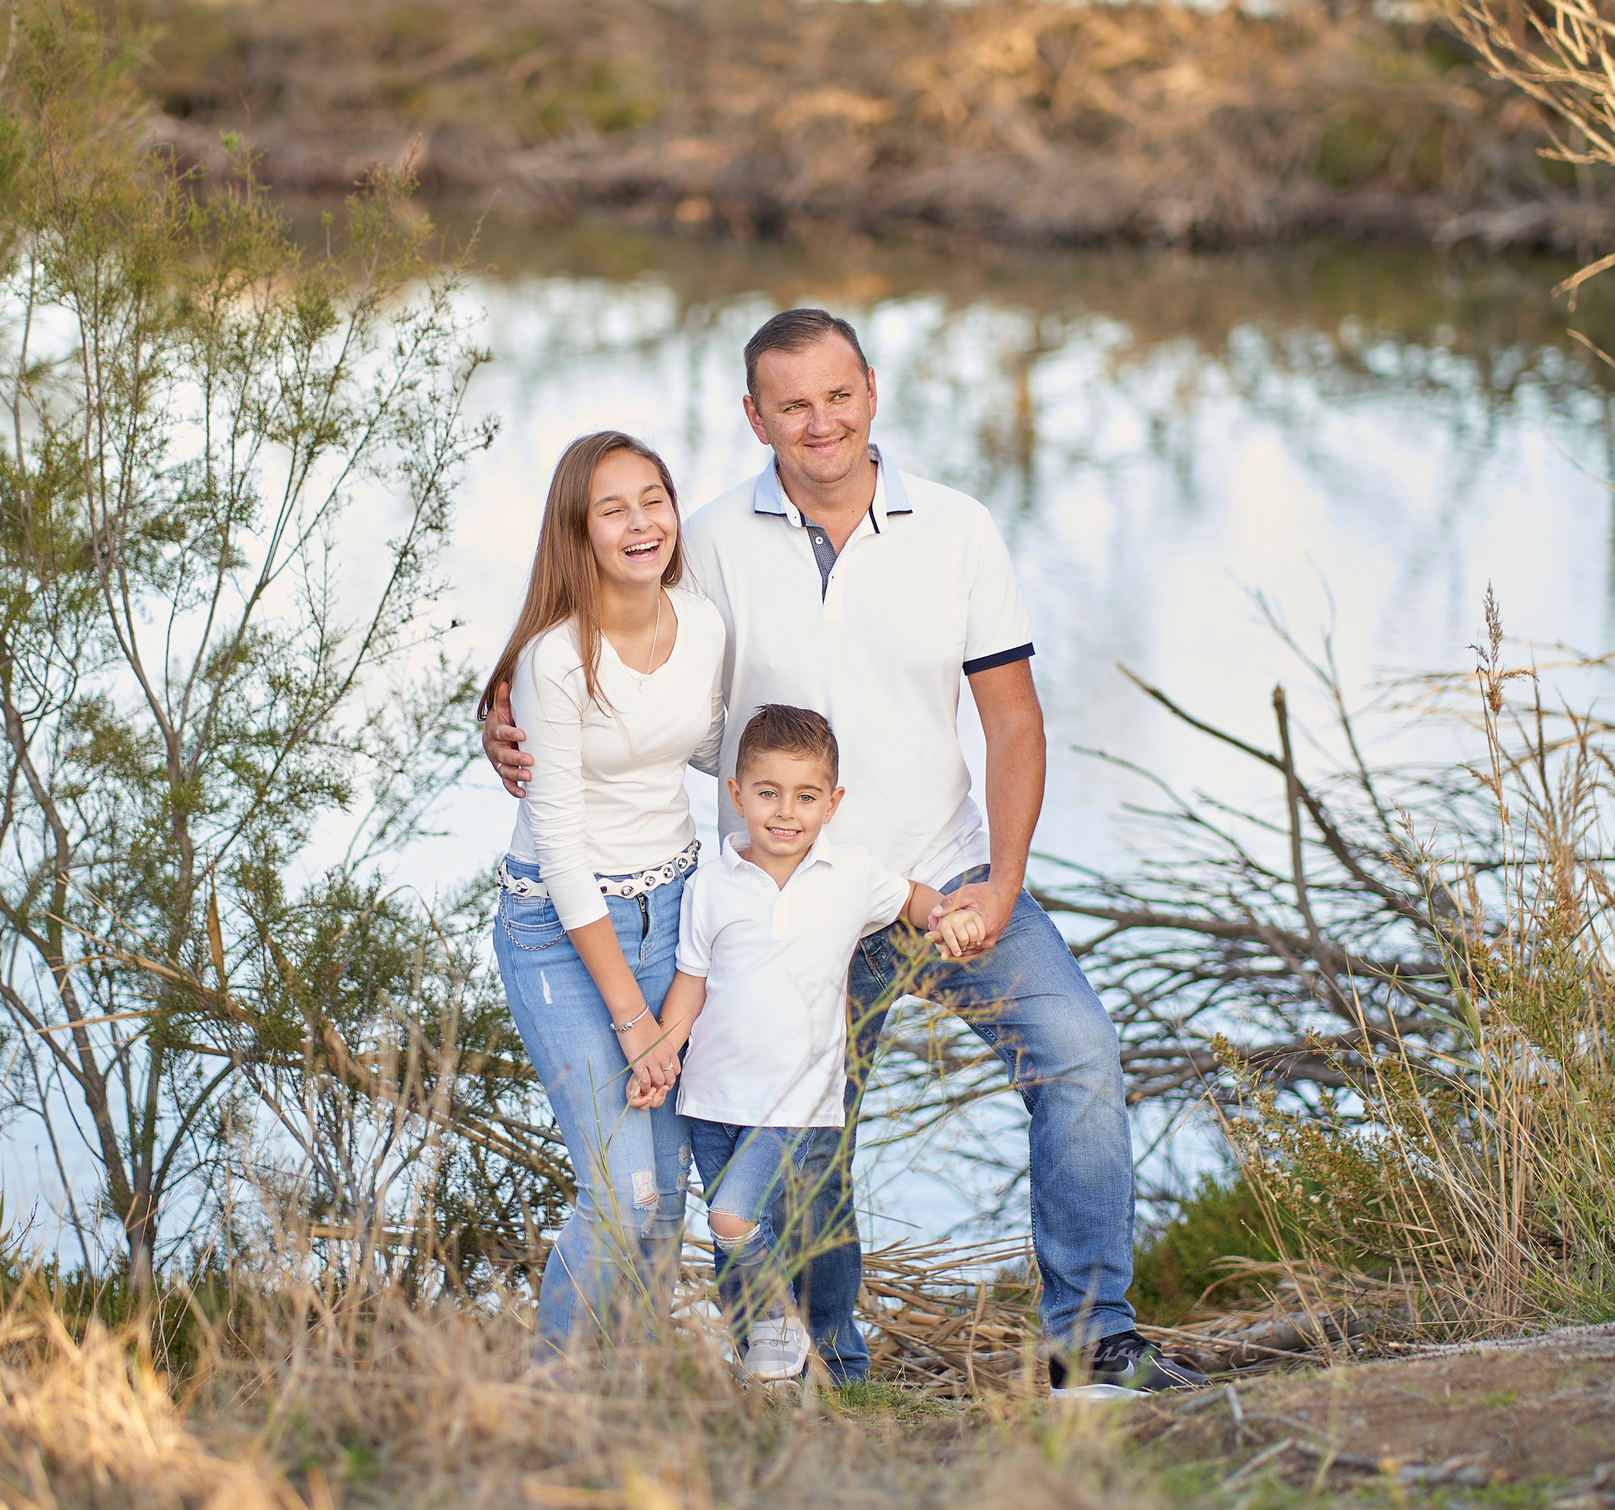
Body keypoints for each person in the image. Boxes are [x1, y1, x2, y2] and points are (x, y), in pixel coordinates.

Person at [488, 310, 1208, 1397]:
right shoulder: (710, 538)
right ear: (754, 417)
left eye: (837, 395)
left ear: (871, 390)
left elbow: (1013, 722)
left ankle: (1090, 1342)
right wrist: (505, 722)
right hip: (784, 903)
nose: (819, 422)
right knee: (804, 1147)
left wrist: (1003, 880)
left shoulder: (956, 529)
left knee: (1079, 1061)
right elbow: (598, 639)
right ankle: (828, 1363)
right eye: (791, 404)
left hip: (946, 881)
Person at [647, 704, 985, 1382]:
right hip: (711, 1096)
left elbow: (916, 899)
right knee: (730, 1237)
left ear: (833, 802)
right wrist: (660, 1052)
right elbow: (691, 982)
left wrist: (955, 916)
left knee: (733, 1216)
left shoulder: (851, 873)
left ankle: (787, 1345)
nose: (785, 812)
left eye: (805, 797)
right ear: (737, 794)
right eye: (767, 793)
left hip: (795, 1099)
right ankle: (770, 1373)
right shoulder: (709, 885)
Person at [486, 429, 723, 1364]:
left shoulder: (700, 623)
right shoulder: (554, 659)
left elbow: (699, 746)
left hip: (671, 908)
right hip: (559, 924)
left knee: (663, 1189)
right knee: (622, 1188)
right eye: (612, 507)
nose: (641, 523)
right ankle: (552, 1404)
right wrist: (638, 1021)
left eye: (654, 498)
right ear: (578, 531)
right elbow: (563, 845)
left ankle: (624, 1401)